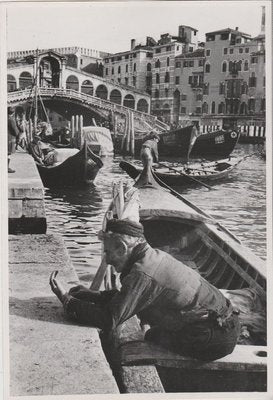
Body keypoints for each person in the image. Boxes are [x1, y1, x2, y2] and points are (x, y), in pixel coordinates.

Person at [50, 218, 240, 361]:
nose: (107, 260)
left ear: (122, 248)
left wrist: (68, 301)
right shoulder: (152, 256)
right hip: (225, 326)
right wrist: (93, 295)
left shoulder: (142, 274)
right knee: (150, 316)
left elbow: (108, 319)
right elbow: (129, 297)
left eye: (107, 252)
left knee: (153, 335)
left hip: (214, 337)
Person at [8, 106, 19, 173]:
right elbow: (15, 131)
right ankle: (7, 167)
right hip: (9, 138)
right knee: (8, 153)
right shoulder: (11, 119)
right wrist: (18, 134)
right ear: (13, 112)